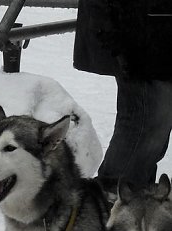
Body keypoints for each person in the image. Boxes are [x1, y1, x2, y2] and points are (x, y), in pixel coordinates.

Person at [73, 0, 172, 191]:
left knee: (155, 126)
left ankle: (135, 199)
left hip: (152, 28)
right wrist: (110, 29)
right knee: (145, 122)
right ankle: (111, 200)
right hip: (136, 30)